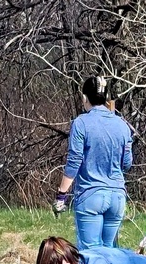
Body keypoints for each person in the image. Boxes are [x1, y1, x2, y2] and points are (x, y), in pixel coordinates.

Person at [53, 77, 133, 250]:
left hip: (91, 196)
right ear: (105, 98)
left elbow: (74, 161)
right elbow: (127, 164)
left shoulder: (81, 123)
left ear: (84, 98)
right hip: (117, 197)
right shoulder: (123, 125)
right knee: (110, 254)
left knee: (91, 255)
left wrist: (61, 195)